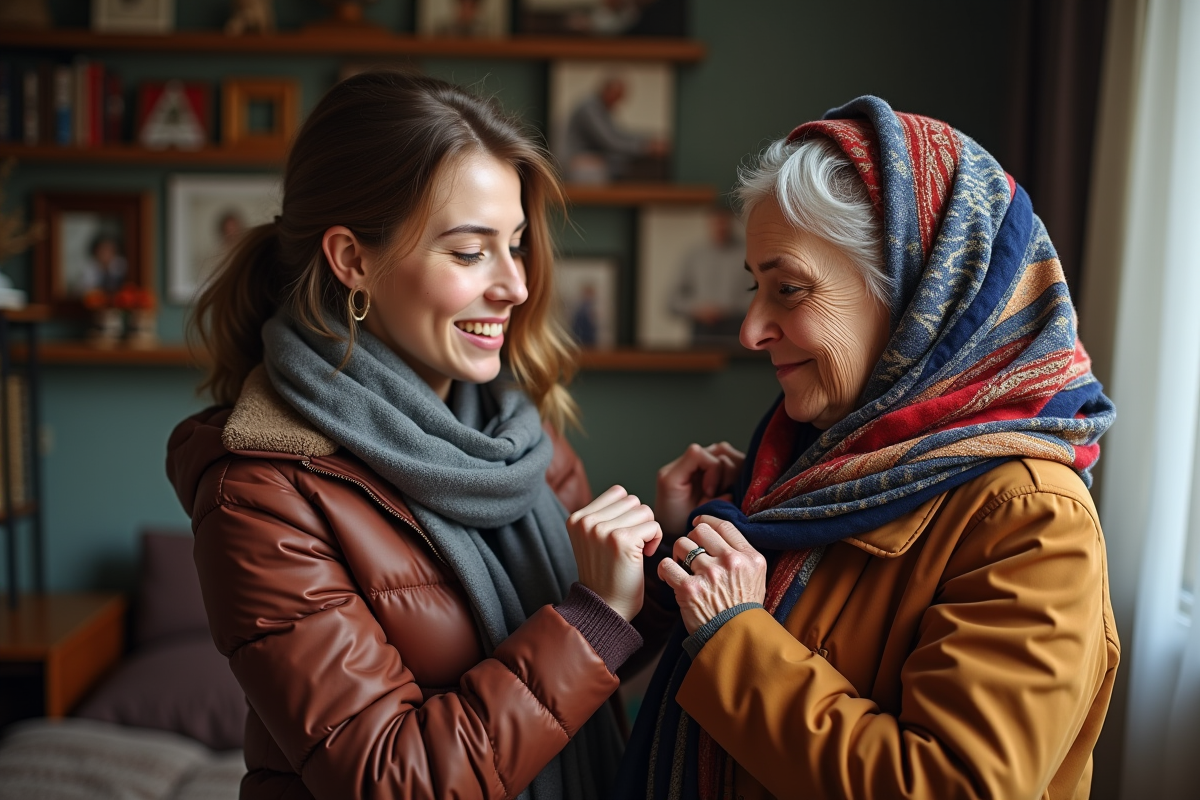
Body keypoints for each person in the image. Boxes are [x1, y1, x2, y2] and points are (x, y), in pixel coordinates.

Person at [166, 71, 665, 800]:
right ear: (352, 260)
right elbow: (391, 779)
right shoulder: (261, 492)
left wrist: (659, 570)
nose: (516, 286)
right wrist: (593, 619)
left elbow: (583, 675)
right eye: (469, 252)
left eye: (516, 245)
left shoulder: (523, 442)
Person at [617, 96, 1119, 799]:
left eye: (789, 289)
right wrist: (680, 548)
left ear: (918, 295)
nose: (751, 330)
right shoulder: (802, 469)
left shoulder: (1031, 518)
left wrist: (734, 637)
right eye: (756, 288)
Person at [668, 207, 750, 347]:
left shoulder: (747, 253)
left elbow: (759, 294)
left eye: (724, 222)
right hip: (702, 330)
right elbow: (673, 300)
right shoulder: (694, 255)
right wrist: (696, 309)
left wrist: (728, 310)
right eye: (716, 222)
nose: (720, 226)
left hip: (737, 328)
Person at [560, 77, 668, 183]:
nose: (617, 102)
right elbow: (610, 141)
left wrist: (648, 140)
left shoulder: (602, 108)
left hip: (594, 158)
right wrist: (646, 147)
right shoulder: (589, 108)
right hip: (576, 162)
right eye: (616, 96)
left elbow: (619, 134)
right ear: (606, 90)